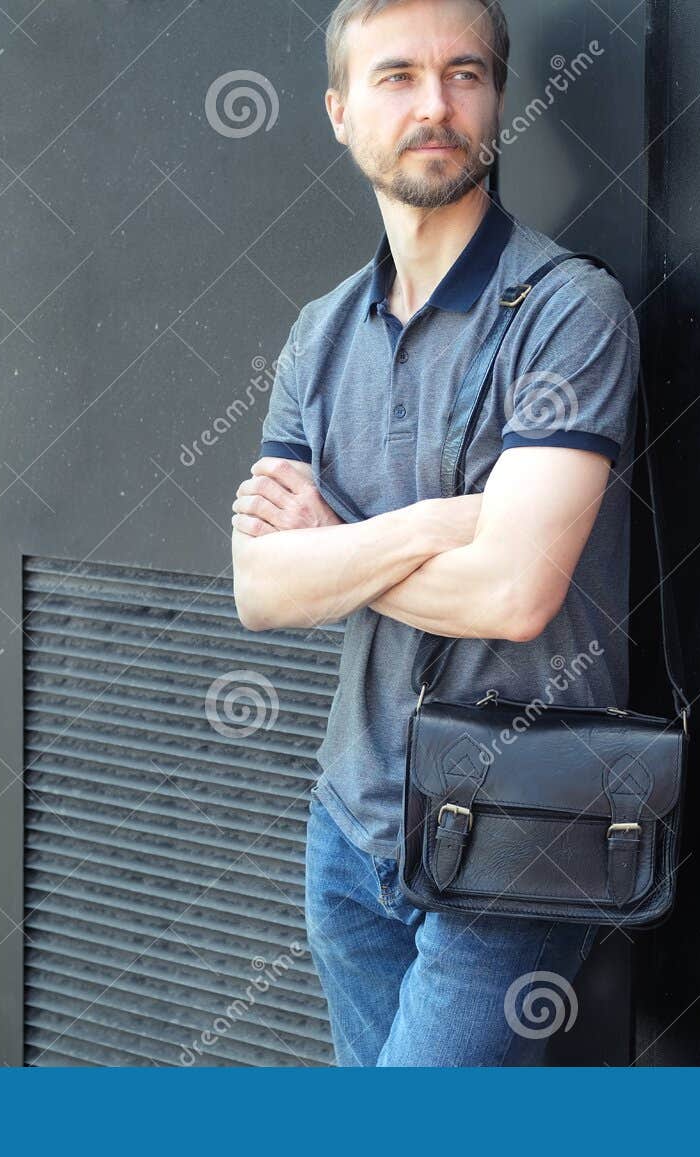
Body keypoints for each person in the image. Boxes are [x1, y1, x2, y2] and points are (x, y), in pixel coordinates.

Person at [229, 0, 641, 1066]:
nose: (434, 104)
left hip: (512, 836)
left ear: (498, 98)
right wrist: (434, 523)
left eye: (464, 74)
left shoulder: (565, 310)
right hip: (348, 827)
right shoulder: (318, 334)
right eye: (397, 75)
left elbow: (513, 591)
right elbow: (261, 590)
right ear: (338, 111)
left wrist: (338, 546)